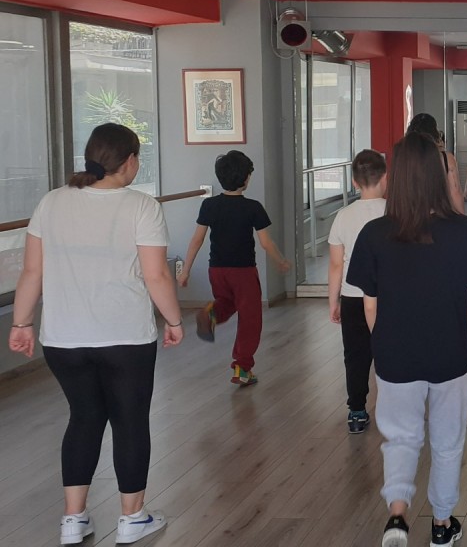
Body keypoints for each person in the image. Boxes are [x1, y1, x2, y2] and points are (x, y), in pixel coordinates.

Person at [9, 123, 183, 546]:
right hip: (125, 336)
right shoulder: (141, 206)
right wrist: (175, 320)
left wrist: (21, 323)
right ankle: (132, 518)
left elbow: (32, 271)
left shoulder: (52, 202)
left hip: (63, 339)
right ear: (130, 160)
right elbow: (156, 275)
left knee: (83, 418)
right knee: (129, 421)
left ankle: (73, 520)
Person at [345, 131, 467, 547]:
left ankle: (397, 517)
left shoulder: (374, 234)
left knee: (400, 438)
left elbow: (370, 307)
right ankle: (442, 525)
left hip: (395, 357)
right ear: (437, 175)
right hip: (450, 356)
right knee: (447, 443)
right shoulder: (464, 231)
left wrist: (386, 344)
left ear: (396, 177)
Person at [179, 150, 291, 386]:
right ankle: (242, 367)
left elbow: (196, 240)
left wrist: (185, 270)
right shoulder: (253, 208)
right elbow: (266, 243)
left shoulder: (209, 205)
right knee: (250, 318)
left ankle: (209, 314)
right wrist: (280, 261)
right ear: (246, 178)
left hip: (217, 270)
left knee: (226, 303)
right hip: (244, 272)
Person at [326, 149, 387, 435]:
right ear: (385, 177)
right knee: (393, 350)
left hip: (353, 296)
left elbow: (336, 264)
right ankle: (395, 405)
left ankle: (357, 411)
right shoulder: (395, 212)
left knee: (355, 355)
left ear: (354, 181)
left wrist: (333, 301)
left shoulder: (343, 216)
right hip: (390, 296)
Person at [406, 113, 466, 214]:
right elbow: (455, 191)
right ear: (434, 133)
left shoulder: (403, 158)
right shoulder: (446, 158)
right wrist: (462, 217)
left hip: (410, 212)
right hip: (439, 213)